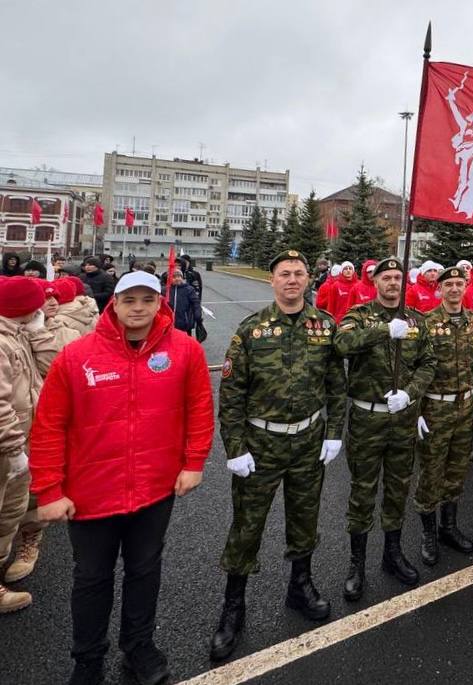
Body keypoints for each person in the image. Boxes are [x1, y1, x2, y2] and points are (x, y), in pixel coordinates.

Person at [29, 271, 214, 684]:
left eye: (147, 300)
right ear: (114, 303)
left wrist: (194, 462)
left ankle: (139, 647)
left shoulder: (184, 351)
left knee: (145, 571)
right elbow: (48, 426)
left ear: (159, 304)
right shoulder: (77, 356)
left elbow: (199, 409)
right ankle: (88, 660)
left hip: (154, 490)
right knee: (92, 579)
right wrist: (49, 490)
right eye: (129, 299)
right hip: (91, 494)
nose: (138, 308)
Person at [211, 250, 347, 661]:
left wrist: (334, 434)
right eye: (284, 274)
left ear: (308, 280)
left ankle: (300, 586)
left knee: (305, 519)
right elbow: (231, 396)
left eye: (299, 273)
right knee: (247, 527)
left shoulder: (325, 327)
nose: (292, 280)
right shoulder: (251, 331)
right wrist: (235, 448)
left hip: (308, 441)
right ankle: (233, 607)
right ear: (272, 281)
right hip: (261, 445)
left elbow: (336, 387)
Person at [334, 258, 436, 600]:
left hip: (402, 418)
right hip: (367, 418)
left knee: (397, 489)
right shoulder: (359, 315)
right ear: (375, 282)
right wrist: (382, 330)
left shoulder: (416, 321)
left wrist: (411, 393)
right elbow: (341, 345)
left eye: (398, 277)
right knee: (362, 491)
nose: (393, 283)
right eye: (387, 277)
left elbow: (429, 363)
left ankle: (392, 553)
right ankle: (356, 564)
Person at [414, 266, 473, 566]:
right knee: (432, 472)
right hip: (435, 408)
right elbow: (413, 368)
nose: (454, 289)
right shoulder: (426, 323)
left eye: (459, 283)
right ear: (439, 289)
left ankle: (449, 527)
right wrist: (416, 410)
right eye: (448, 284)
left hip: (466, 408)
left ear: (466, 287)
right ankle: (428, 533)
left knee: (456, 471)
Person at [0, 277, 58, 614]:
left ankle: (24, 548)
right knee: (4, 509)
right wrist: (12, 448)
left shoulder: (19, 334)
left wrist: (37, 331)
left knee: (16, 507)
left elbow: (53, 367)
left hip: (24, 438)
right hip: (8, 445)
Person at [166, 269, 202, 336]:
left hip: (184, 323)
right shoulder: (166, 290)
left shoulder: (189, 289)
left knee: (185, 342)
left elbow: (195, 302)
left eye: (179, 276)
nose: (177, 279)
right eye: (174, 277)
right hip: (169, 324)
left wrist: (197, 313)